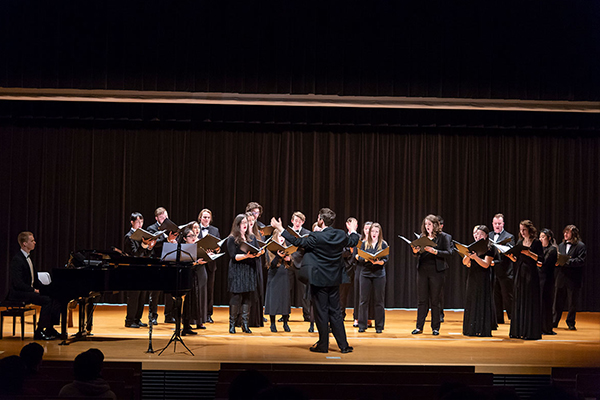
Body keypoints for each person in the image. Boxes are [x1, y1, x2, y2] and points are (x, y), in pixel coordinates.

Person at [272, 207, 359, 353]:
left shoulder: (315, 237)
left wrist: (280, 228)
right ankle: (343, 346)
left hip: (319, 280)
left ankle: (323, 345)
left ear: (320, 220)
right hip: (334, 279)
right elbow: (353, 241)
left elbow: (297, 241)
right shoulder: (340, 234)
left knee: (321, 312)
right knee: (336, 312)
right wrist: (353, 229)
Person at [8, 232, 61, 340]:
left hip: (28, 291)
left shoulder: (28, 258)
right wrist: (33, 290)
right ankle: (39, 331)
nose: (35, 242)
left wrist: (46, 289)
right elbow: (18, 283)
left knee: (56, 297)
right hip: (19, 293)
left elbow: (35, 279)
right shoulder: (17, 260)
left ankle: (50, 328)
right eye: (32, 241)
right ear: (24, 244)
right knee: (46, 300)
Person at [411, 215, 453, 336]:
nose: (427, 227)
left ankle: (435, 327)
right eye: (425, 224)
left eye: (429, 224)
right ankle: (419, 327)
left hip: (437, 271)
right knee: (422, 300)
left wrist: (435, 251)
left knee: (435, 300)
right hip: (423, 271)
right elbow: (417, 254)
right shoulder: (422, 237)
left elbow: (450, 253)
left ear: (435, 225)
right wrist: (415, 251)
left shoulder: (444, 237)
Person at [226, 214, 264, 334]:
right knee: (236, 297)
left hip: (249, 269)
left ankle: (245, 324)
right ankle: (232, 325)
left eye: (246, 223)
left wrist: (259, 253)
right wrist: (246, 255)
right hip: (237, 270)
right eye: (243, 223)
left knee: (247, 298)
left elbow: (256, 250)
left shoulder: (252, 237)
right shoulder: (231, 238)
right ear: (237, 225)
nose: (245, 225)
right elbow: (233, 256)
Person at [506, 220, 543, 340]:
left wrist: (529, 253)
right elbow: (517, 259)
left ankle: (529, 331)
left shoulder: (536, 242)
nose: (522, 232)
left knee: (529, 301)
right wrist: (512, 257)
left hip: (531, 274)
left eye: (524, 230)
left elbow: (541, 260)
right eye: (520, 230)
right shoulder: (520, 242)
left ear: (530, 230)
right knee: (520, 300)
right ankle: (519, 330)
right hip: (520, 273)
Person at [462, 225, 496, 337]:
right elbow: (465, 263)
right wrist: (468, 256)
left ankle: (482, 329)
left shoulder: (490, 247)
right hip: (472, 276)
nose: (478, 236)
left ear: (486, 236)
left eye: (481, 234)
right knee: (471, 301)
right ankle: (470, 329)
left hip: (483, 277)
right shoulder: (472, 247)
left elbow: (486, 265)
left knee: (481, 301)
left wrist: (475, 257)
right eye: (477, 234)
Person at [356, 222, 388, 333]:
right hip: (365, 273)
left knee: (379, 300)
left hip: (379, 274)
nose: (374, 233)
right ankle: (362, 325)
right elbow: (359, 257)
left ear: (379, 233)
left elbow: (386, 259)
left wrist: (379, 262)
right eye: (372, 231)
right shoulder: (364, 243)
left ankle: (379, 326)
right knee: (363, 300)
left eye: (376, 231)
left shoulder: (383, 244)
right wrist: (366, 259)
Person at [553, 225, 587, 330]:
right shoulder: (561, 245)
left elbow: (581, 261)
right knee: (557, 301)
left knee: (572, 303)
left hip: (573, 278)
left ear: (574, 234)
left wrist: (566, 261)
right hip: (561, 277)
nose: (565, 234)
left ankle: (570, 322)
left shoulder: (580, 246)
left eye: (568, 232)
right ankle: (554, 321)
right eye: (565, 232)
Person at [123, 212, 152, 328]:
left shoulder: (143, 235)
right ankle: (129, 320)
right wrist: (144, 246)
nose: (140, 224)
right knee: (134, 296)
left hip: (143, 269)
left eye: (142, 222)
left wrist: (149, 247)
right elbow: (134, 254)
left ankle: (137, 318)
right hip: (133, 270)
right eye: (138, 222)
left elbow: (146, 254)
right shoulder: (129, 236)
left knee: (142, 296)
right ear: (132, 222)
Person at [147, 207, 175, 323]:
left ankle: (169, 315)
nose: (164, 219)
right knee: (155, 291)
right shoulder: (151, 228)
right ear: (157, 218)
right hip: (156, 261)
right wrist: (167, 239)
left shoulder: (170, 228)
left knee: (169, 290)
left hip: (168, 260)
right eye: (162, 217)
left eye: (166, 217)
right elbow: (154, 244)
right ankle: (153, 316)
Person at [179, 226, 208, 335]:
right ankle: (183, 326)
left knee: (192, 301)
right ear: (185, 238)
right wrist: (196, 263)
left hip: (195, 276)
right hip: (186, 277)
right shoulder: (183, 248)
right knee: (186, 302)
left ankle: (187, 326)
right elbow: (183, 263)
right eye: (190, 236)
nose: (193, 238)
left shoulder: (197, 247)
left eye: (194, 236)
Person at [287, 212, 312, 322]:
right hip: (288, 264)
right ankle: (285, 315)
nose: (297, 223)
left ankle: (307, 315)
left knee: (304, 292)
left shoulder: (307, 233)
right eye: (296, 221)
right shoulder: (287, 232)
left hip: (301, 265)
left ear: (303, 222)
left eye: (300, 221)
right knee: (287, 291)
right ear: (292, 221)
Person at [265, 230, 292, 332]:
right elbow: (271, 265)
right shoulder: (270, 248)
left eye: (283, 236)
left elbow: (289, 265)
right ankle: (272, 323)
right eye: (280, 236)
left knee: (284, 300)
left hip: (284, 276)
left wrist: (289, 260)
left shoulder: (285, 248)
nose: (282, 238)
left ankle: (285, 323)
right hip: (274, 277)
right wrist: (278, 256)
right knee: (274, 300)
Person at [490, 213, 515, 324]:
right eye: (495, 223)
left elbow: (511, 250)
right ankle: (498, 318)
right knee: (495, 296)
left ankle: (513, 318)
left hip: (505, 271)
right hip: (493, 271)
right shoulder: (489, 235)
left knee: (507, 296)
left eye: (499, 223)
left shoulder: (509, 236)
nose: (497, 225)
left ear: (503, 224)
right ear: (492, 224)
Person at [198, 209, 220, 324]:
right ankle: (199, 313)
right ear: (200, 218)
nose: (206, 219)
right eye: (204, 217)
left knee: (210, 290)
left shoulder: (215, 230)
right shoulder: (196, 229)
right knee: (199, 289)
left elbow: (218, 247)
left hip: (211, 263)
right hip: (199, 263)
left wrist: (216, 249)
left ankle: (208, 314)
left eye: (208, 217)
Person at [246, 211, 265, 328]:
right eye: (249, 220)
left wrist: (262, 251)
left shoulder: (258, 233)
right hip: (247, 263)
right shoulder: (242, 234)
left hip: (256, 263)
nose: (251, 223)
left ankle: (256, 320)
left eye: (253, 220)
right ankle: (245, 320)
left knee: (257, 290)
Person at [539, 228, 558, 335]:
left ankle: (546, 328)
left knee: (546, 303)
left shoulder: (552, 250)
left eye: (543, 237)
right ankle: (540, 327)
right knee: (540, 303)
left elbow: (544, 264)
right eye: (540, 237)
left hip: (547, 280)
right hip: (539, 279)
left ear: (549, 238)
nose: (541, 239)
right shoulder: (540, 249)